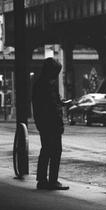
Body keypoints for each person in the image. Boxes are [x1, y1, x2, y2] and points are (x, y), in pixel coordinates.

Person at [32, 58, 68, 190]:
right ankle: (53, 180)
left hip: (43, 123)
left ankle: (42, 180)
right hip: (52, 124)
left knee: (45, 150)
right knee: (56, 152)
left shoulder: (38, 84)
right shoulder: (48, 86)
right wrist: (60, 122)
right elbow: (53, 107)